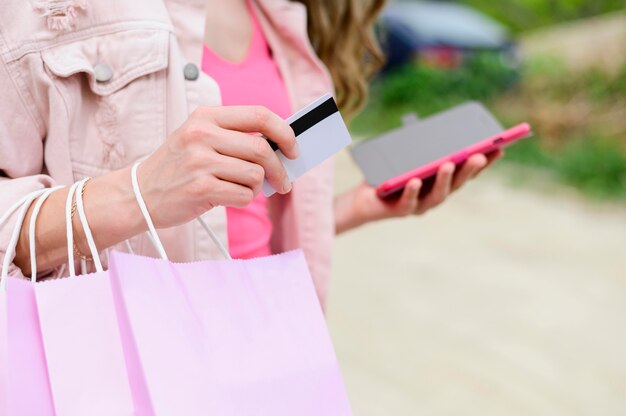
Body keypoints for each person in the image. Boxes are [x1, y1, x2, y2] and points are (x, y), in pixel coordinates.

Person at [0, 0, 500, 308]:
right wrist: (142, 192)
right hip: (117, 371)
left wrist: (353, 210)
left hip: (257, 349)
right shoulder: (46, 9)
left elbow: (246, 222)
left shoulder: (281, 17)